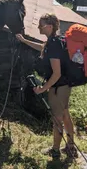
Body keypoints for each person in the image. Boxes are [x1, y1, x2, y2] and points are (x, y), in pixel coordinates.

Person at [16, 13, 77, 159]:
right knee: (65, 114)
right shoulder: (55, 41)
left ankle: (55, 150)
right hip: (64, 85)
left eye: (40, 25)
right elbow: (42, 48)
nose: (38, 27)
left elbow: (56, 73)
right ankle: (71, 146)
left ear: (49, 27)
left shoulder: (54, 44)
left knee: (57, 118)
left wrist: (43, 89)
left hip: (58, 87)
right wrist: (24, 41)